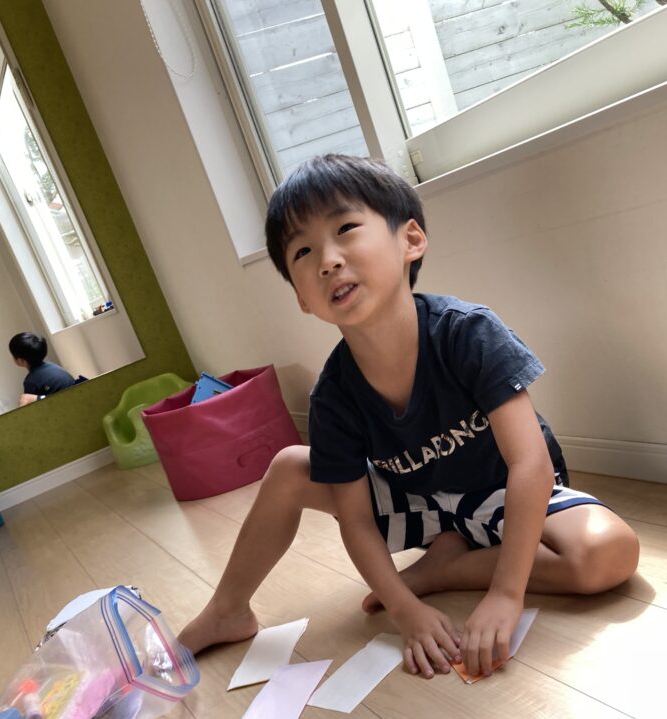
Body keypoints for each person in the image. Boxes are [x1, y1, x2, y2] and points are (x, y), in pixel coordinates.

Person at [179, 154, 639, 679]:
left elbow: (530, 464)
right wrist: (404, 609)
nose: (328, 260)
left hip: (503, 495)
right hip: (419, 505)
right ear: (302, 298)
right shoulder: (332, 396)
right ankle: (227, 610)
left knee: (609, 552)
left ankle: (449, 568)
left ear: (411, 240)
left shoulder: (468, 333)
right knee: (288, 466)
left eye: (346, 229)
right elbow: (356, 520)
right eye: (303, 251)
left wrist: (505, 593)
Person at [9, 332, 76, 406]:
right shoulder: (54, 367)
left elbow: (32, 409)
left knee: (25, 399)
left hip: (66, 406)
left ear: (21, 360)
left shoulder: (31, 381)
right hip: (77, 399)